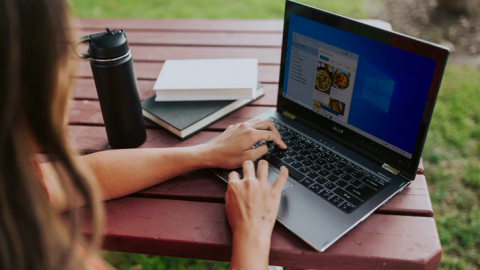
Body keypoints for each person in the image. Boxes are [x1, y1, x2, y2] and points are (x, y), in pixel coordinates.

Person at [0, 0, 289, 269]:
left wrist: (207, 152)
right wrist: (253, 233)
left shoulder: (11, 183)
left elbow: (84, 177)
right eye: (61, 49)